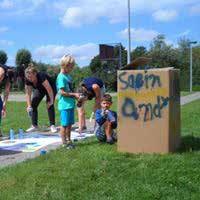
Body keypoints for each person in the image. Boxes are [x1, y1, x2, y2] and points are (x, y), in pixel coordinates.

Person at [25, 64, 57, 133]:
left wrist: (51, 101)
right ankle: (34, 125)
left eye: (31, 77)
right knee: (33, 104)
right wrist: (29, 106)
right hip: (40, 89)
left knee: (49, 104)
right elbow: (28, 94)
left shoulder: (41, 76)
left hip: (51, 87)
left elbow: (49, 90)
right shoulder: (28, 79)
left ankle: (52, 125)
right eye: (28, 77)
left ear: (35, 74)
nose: (29, 79)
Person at [56, 54, 80, 149]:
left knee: (69, 124)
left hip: (70, 104)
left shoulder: (68, 76)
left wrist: (76, 96)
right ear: (65, 65)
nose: (72, 69)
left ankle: (69, 140)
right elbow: (62, 92)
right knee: (64, 125)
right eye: (71, 67)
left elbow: (70, 89)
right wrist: (74, 95)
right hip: (64, 105)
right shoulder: (61, 77)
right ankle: (64, 142)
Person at [0, 64, 11, 138]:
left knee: (0, 107)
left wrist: (4, 104)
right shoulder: (2, 72)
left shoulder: (8, 78)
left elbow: (6, 91)